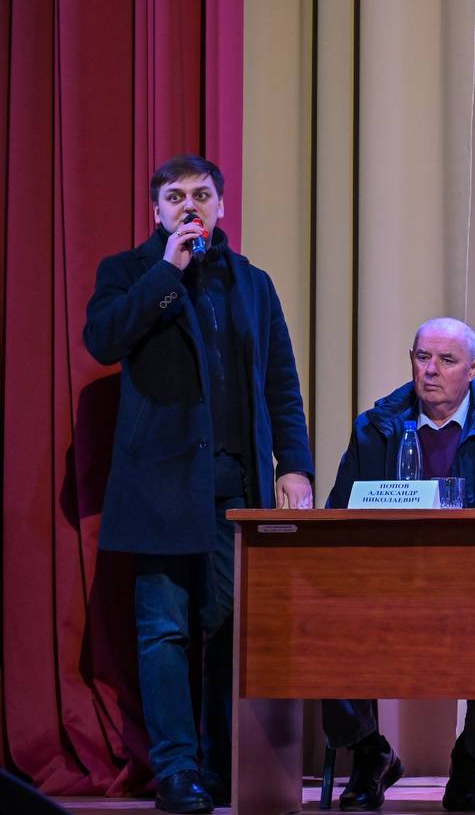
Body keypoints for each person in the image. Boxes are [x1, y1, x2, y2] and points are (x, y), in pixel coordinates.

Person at [84, 155, 314, 813]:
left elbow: (280, 382)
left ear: (221, 205)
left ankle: (218, 766)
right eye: (176, 196)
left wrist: (294, 465)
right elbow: (103, 339)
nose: (191, 206)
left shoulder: (252, 282)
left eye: (203, 195)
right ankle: (176, 770)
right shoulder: (130, 271)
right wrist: (168, 271)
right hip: (159, 485)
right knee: (164, 631)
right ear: (156, 210)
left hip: (233, 485)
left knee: (227, 627)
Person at [320, 317, 475, 812]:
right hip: (388, 584)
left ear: (474, 369)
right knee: (327, 615)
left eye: (447, 361)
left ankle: (470, 758)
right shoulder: (374, 428)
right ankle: (369, 752)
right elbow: (340, 512)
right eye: (422, 358)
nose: (431, 370)